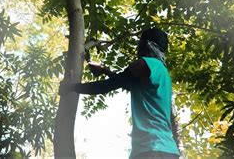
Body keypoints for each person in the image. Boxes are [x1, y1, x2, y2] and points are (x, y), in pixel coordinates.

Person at [60, 28, 181, 159]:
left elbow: (106, 86)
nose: (137, 48)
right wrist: (105, 71)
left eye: (140, 43)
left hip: (151, 147)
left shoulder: (144, 64)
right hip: (167, 149)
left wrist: (72, 87)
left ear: (147, 44)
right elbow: (125, 83)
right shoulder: (162, 73)